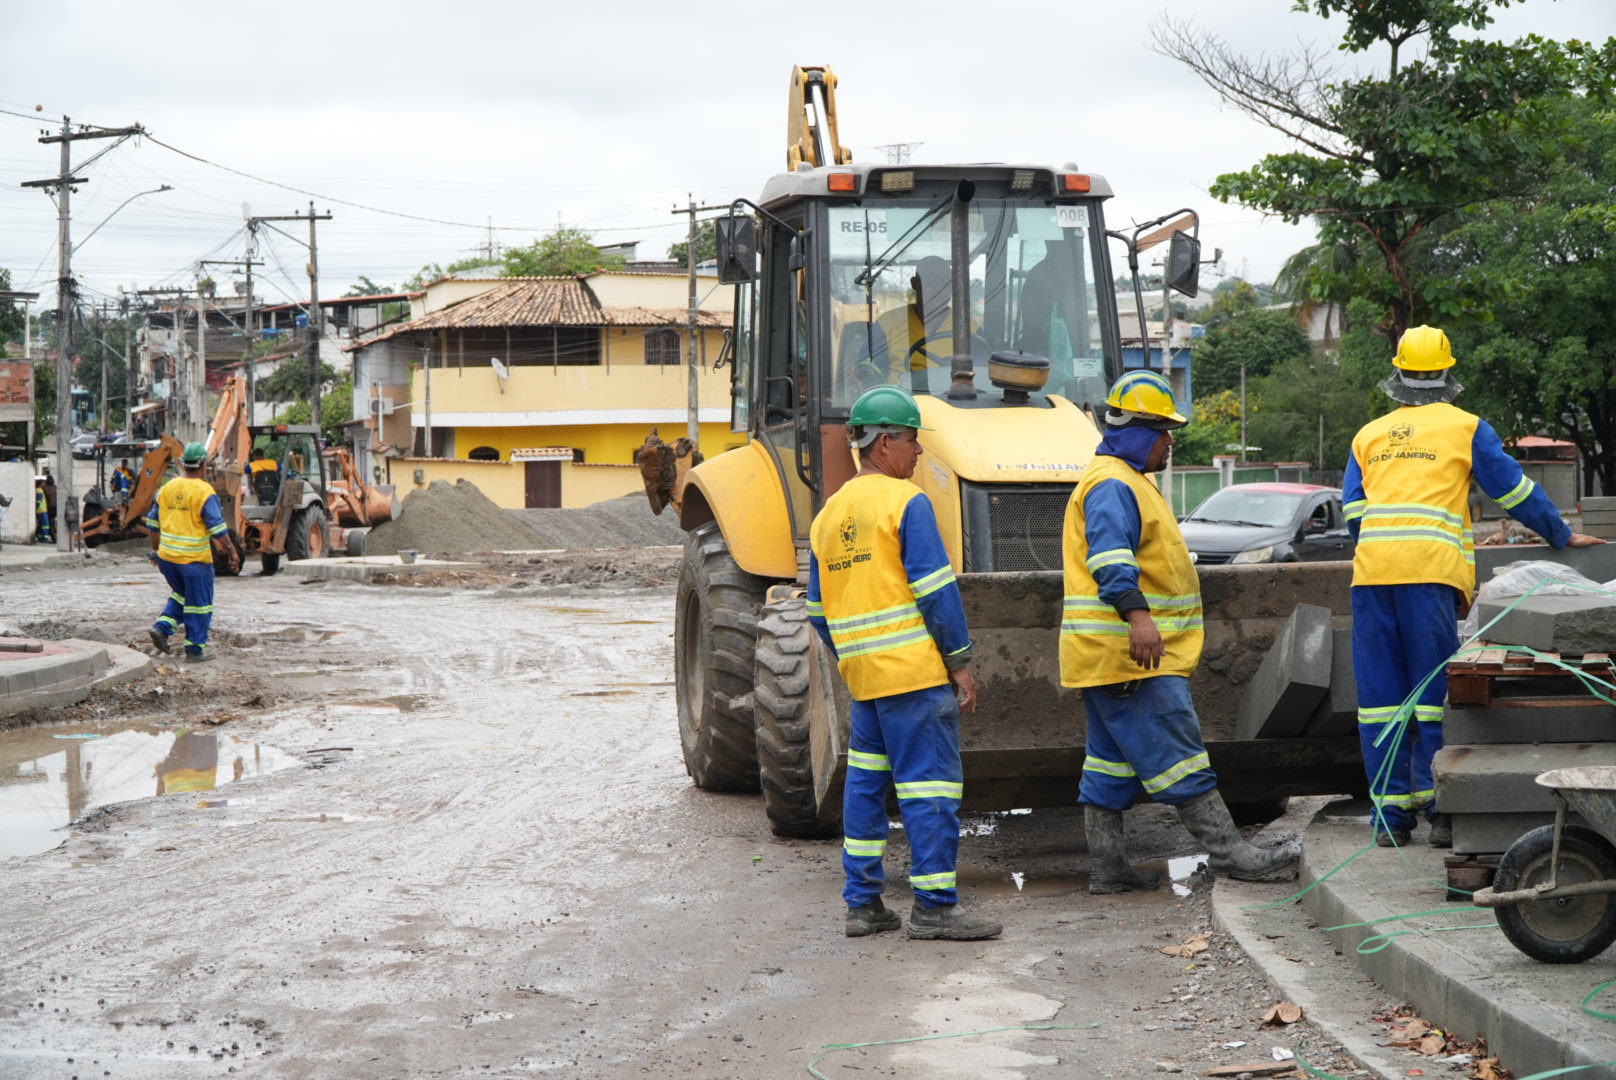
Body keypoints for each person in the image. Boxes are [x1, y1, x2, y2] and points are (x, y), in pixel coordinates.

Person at [1342, 326, 1603, 848]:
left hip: (1372, 575)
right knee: (1435, 696)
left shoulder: (1368, 435)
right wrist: (1559, 532)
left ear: (1398, 376)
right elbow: (1515, 489)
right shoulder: (1466, 427)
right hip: (1431, 575)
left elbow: (1354, 515)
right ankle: (1444, 814)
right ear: (1446, 375)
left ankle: (1390, 821)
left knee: (1379, 702)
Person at [1061, 370, 1297, 891]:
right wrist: (1139, 618)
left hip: (1107, 659)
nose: (1170, 442)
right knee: (1181, 754)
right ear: (1139, 432)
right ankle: (1231, 853)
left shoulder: (1124, 481)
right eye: (1165, 431)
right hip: (1135, 656)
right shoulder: (1112, 485)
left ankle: (1108, 870)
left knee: (1110, 766)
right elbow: (1110, 559)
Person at [806, 385, 1002, 941]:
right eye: (913, 441)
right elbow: (938, 592)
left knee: (866, 787)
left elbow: (818, 611)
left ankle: (863, 905)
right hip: (916, 679)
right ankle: (936, 908)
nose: (918, 453)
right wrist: (959, 661)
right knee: (929, 788)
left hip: (866, 684)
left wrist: (859, 653)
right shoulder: (906, 504)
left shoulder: (828, 517)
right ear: (885, 442)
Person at [146, 442, 237, 662]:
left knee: (182, 594)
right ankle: (195, 649)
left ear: (184, 464)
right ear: (204, 465)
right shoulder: (205, 491)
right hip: (194, 561)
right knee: (199, 604)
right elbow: (217, 529)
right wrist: (232, 550)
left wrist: (156, 551)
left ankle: (163, 628)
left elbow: (152, 523)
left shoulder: (166, 487)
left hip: (168, 559)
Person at [33, 477, 53, 544]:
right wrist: (37, 507)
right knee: (45, 524)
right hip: (42, 510)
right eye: (43, 483)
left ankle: (40, 536)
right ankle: (44, 537)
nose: (44, 484)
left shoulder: (37, 490)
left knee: (41, 524)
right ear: (40, 484)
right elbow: (39, 500)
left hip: (40, 510)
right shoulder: (39, 490)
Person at [39, 468, 57, 539]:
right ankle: (53, 536)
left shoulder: (45, 487)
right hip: (51, 508)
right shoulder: (53, 487)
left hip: (50, 508)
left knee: (49, 523)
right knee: (50, 523)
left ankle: (52, 536)